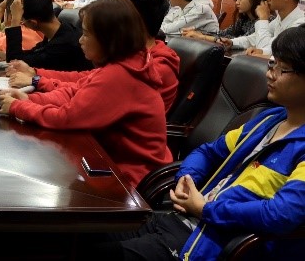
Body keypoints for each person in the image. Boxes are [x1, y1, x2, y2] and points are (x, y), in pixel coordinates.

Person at [84, 27, 305, 260]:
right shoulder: (268, 121)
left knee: (98, 254)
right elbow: (208, 152)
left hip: (212, 243)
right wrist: (186, 179)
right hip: (185, 220)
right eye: (272, 64)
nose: (270, 74)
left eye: (282, 69)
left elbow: (281, 214)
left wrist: (205, 209)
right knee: (84, 233)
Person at [0, 0, 172, 188]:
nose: (80, 40)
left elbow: (67, 118)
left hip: (130, 182)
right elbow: (73, 92)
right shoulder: (119, 66)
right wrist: (31, 99)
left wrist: (19, 108)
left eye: (86, 35)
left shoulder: (119, 75)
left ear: (108, 40)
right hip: (110, 164)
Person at [8, 0, 180, 112]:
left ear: (133, 21)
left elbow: (84, 99)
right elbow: (85, 80)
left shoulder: (154, 67)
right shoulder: (132, 55)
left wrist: (30, 95)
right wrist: (36, 74)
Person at [2, 0, 91, 71]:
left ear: (33, 23)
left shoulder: (62, 46)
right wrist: (5, 55)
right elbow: (32, 54)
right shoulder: (61, 30)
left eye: (22, 21)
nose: (22, 24)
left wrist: (15, 21)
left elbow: (15, 62)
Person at [229, 0, 305, 56]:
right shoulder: (279, 19)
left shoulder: (300, 25)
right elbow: (255, 38)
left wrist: (263, 19)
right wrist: (232, 42)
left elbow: (270, 49)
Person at [183, 0, 269, 43]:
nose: (237, 2)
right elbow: (224, 33)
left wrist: (203, 37)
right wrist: (200, 33)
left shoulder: (265, 20)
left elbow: (239, 41)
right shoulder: (244, 19)